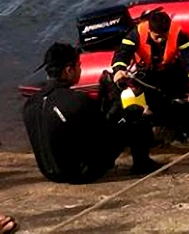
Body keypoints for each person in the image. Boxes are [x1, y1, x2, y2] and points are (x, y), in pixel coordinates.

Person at [23, 43, 157, 183]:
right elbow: (105, 130)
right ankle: (142, 163)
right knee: (134, 111)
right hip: (82, 174)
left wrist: (103, 95)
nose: (80, 69)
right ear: (69, 70)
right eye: (78, 65)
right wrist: (116, 95)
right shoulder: (76, 100)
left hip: (49, 174)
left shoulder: (30, 103)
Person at [111, 9, 189, 142]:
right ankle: (161, 124)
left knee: (180, 101)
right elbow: (122, 53)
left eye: (163, 36)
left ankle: (185, 126)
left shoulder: (177, 33)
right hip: (148, 73)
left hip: (171, 70)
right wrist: (119, 69)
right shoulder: (136, 34)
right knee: (156, 104)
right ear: (149, 30)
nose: (160, 40)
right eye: (157, 37)